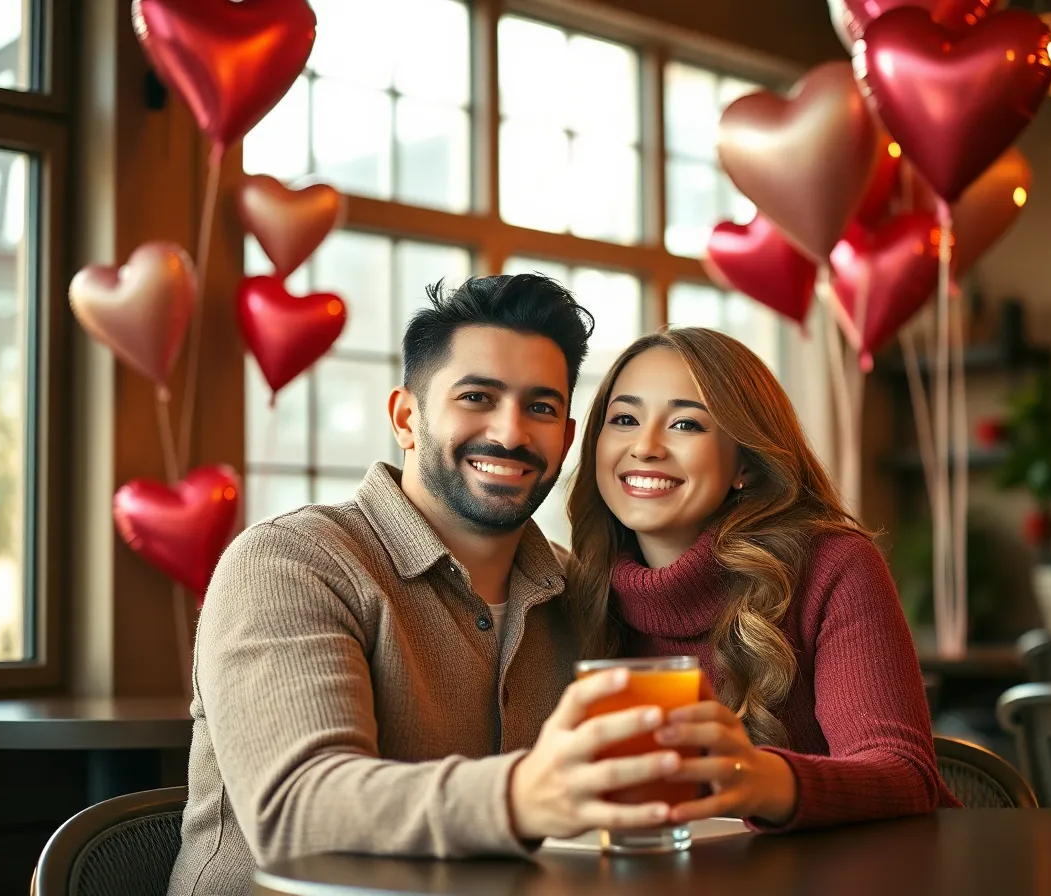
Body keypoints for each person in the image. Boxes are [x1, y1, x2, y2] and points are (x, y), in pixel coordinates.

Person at [169, 275, 687, 896]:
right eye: (476, 397)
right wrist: (524, 796)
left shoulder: (578, 590)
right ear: (406, 417)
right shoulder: (290, 563)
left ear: (567, 440)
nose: (511, 433)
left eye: (541, 408)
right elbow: (297, 815)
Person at [565, 327, 960, 831]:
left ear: (745, 464)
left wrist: (757, 780)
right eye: (624, 419)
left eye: (687, 424)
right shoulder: (575, 587)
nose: (645, 447)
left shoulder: (833, 566)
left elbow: (905, 776)